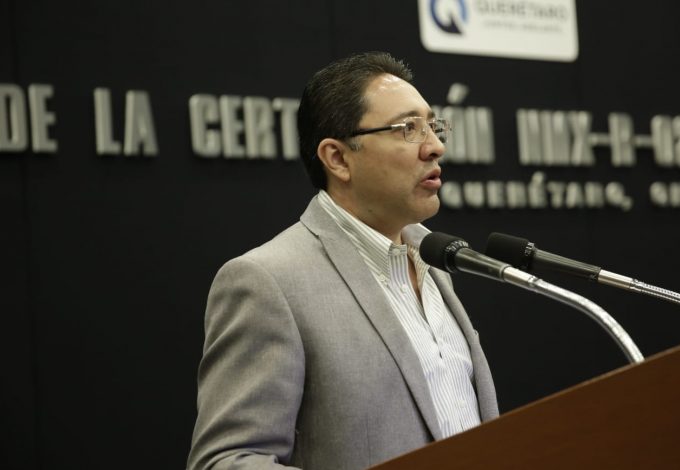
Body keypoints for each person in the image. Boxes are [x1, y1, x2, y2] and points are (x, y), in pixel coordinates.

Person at [187, 51, 499, 470]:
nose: (435, 147)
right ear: (337, 158)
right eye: (409, 128)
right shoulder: (268, 281)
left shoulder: (434, 262)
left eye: (433, 125)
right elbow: (226, 461)